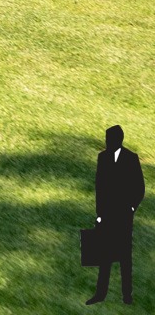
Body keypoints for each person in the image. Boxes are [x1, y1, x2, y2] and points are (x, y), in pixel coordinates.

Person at [92, 125, 144, 305]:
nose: (107, 142)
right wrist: (99, 214)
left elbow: (139, 188)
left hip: (123, 216)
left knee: (124, 257)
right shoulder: (103, 157)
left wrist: (131, 208)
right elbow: (100, 188)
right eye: (107, 139)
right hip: (106, 215)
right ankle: (100, 294)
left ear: (118, 140)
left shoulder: (131, 159)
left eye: (110, 139)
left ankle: (127, 296)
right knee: (104, 256)